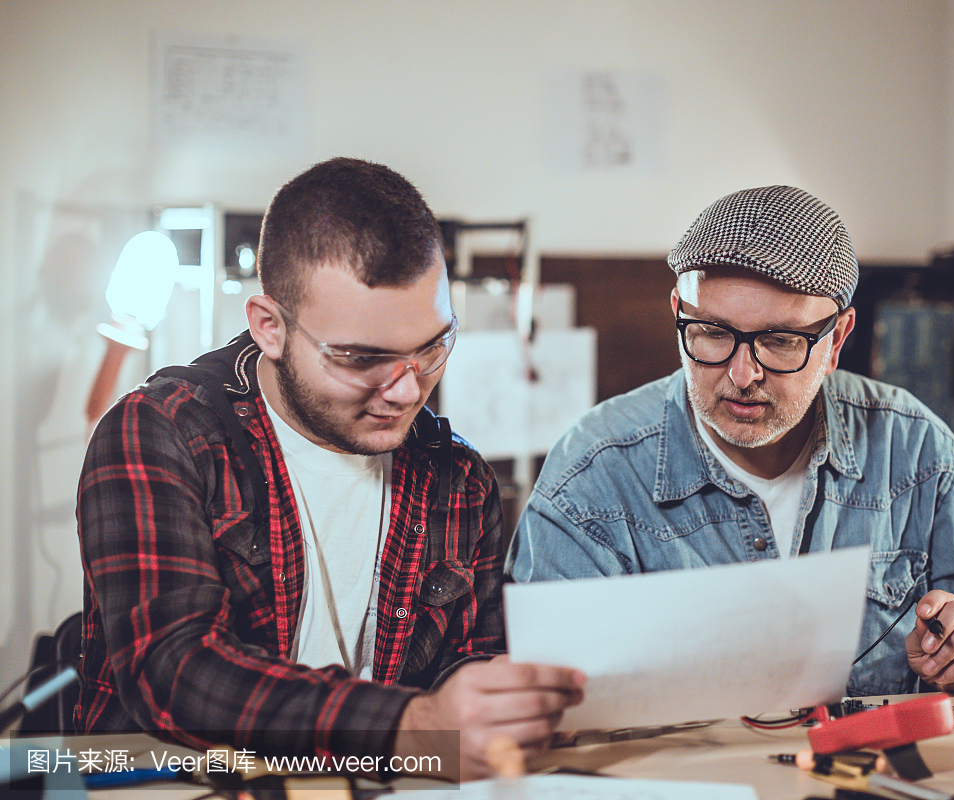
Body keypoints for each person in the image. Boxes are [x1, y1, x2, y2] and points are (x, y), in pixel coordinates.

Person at [75, 157, 583, 780]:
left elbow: (465, 669)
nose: (404, 390)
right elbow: (174, 670)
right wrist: (410, 728)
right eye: (363, 358)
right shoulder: (159, 433)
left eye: (431, 347)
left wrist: (496, 707)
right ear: (269, 327)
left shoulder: (459, 478)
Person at [508, 185, 954, 696]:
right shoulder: (594, 473)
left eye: (781, 342)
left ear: (838, 340)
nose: (742, 374)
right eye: (712, 333)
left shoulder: (920, 456)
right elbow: (539, 695)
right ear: (677, 311)